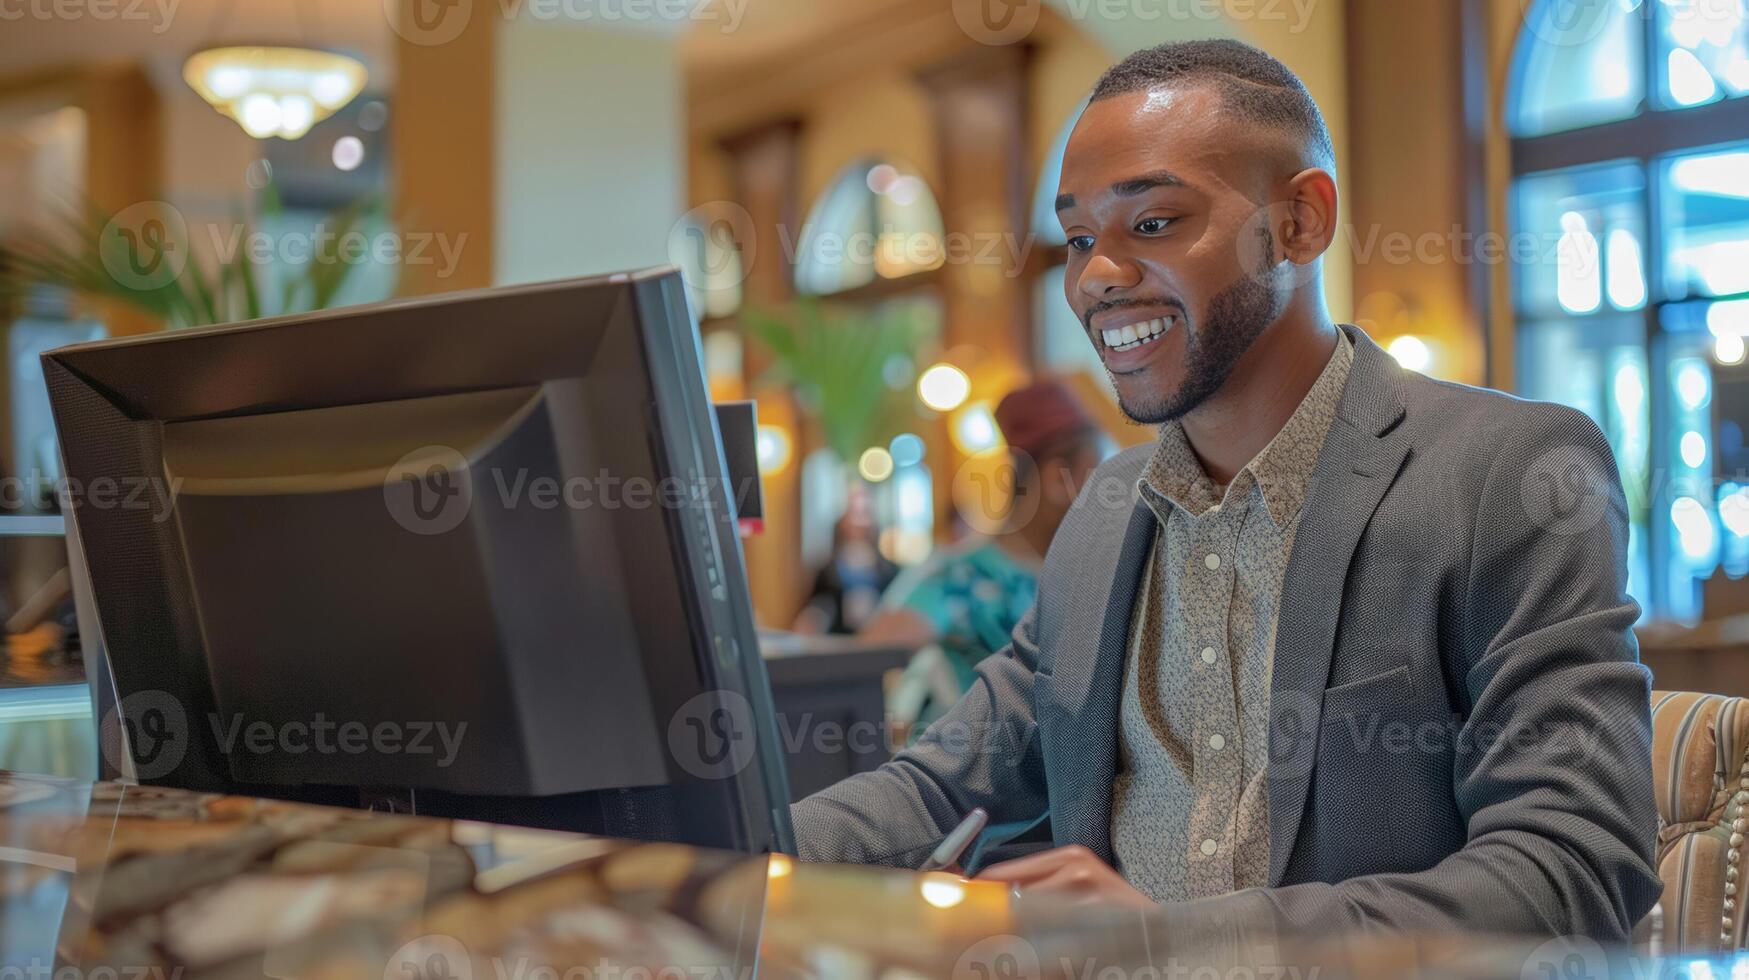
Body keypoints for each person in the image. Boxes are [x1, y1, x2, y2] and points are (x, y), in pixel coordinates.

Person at [790, 39, 1660, 944]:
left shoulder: (1508, 473)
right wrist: (716, 869)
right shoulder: (1100, 514)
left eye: (1154, 223)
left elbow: (1575, 865)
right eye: (1080, 238)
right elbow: (939, 785)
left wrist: (1192, 945)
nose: (1095, 276)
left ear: (1299, 222)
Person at [864, 379, 1104, 733]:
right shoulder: (961, 575)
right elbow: (862, 661)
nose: (1106, 497)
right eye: (1095, 474)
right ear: (1056, 478)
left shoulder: (1092, 572)